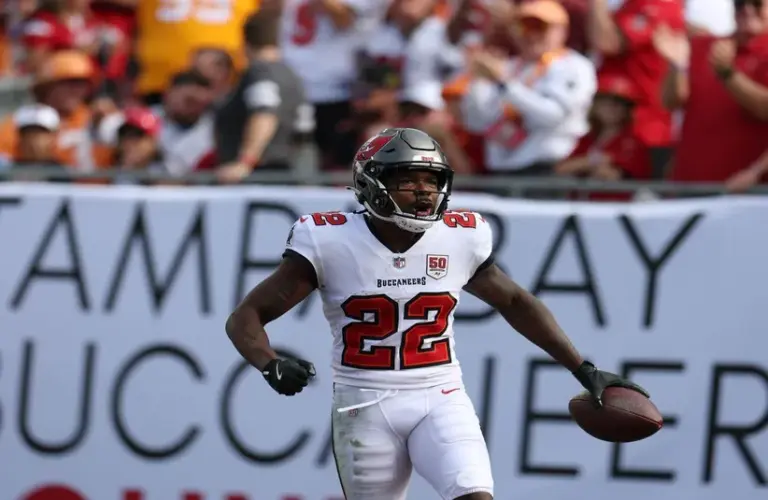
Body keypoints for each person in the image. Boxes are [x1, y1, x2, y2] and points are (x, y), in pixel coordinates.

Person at [225, 127, 649, 500]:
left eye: (432, 179)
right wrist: (268, 363)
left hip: (440, 395)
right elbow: (246, 316)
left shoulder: (458, 237)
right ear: (371, 185)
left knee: (474, 495)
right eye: (408, 179)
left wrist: (583, 369)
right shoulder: (329, 240)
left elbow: (516, 302)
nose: (425, 190)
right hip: (363, 403)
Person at [214, 9, 308, 182]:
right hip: (290, 172)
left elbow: (265, 114)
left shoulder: (260, 71)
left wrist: (245, 162)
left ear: (245, 41)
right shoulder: (292, 75)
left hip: (260, 177)